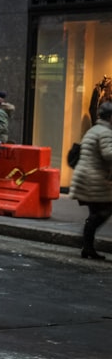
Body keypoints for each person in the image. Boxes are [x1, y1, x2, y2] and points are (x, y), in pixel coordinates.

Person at [70, 102, 112, 260]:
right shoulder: (106, 132)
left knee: (96, 211)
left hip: (86, 176)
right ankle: (86, 243)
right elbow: (108, 154)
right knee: (104, 210)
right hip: (93, 178)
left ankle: (87, 246)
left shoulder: (94, 129)